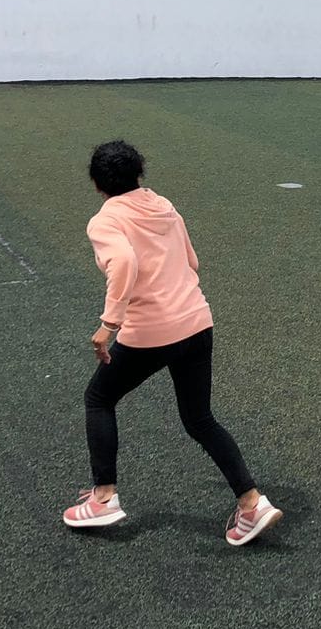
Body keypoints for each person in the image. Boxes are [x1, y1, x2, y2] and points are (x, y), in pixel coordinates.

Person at [63, 140, 282, 546]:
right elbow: (192, 262)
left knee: (99, 398)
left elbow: (124, 263)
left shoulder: (104, 221)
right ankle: (252, 503)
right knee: (200, 420)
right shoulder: (164, 205)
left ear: (97, 184)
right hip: (197, 322)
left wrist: (108, 324)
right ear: (139, 174)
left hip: (150, 331)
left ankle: (104, 497)